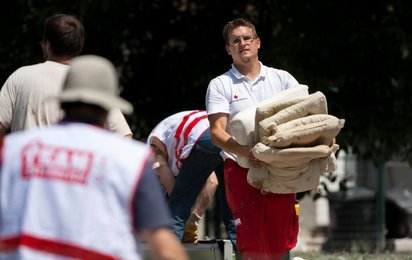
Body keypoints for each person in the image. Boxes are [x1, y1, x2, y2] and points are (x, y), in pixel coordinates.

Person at [0, 55, 188, 260]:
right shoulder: (132, 159)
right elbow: (163, 245)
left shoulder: (12, 150)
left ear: (62, 104)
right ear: (108, 109)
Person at [205, 18, 300, 259]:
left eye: (247, 38)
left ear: (257, 43)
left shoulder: (283, 79)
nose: (242, 43)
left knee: (279, 243)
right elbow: (217, 132)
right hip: (240, 170)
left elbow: (304, 118)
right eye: (235, 40)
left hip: (280, 169)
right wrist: (245, 151)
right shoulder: (220, 84)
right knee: (251, 244)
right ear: (229, 49)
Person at [0, 13, 132, 139]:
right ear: (79, 46)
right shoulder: (89, 82)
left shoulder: (20, 77)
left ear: (47, 44)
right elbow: (124, 136)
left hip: (27, 160)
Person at [147, 110, 237, 248]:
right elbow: (212, 182)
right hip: (229, 135)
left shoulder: (152, 147)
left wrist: (182, 219)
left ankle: (170, 253)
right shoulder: (176, 146)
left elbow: (174, 193)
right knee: (231, 207)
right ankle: (241, 251)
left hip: (202, 136)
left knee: (176, 211)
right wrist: (193, 220)